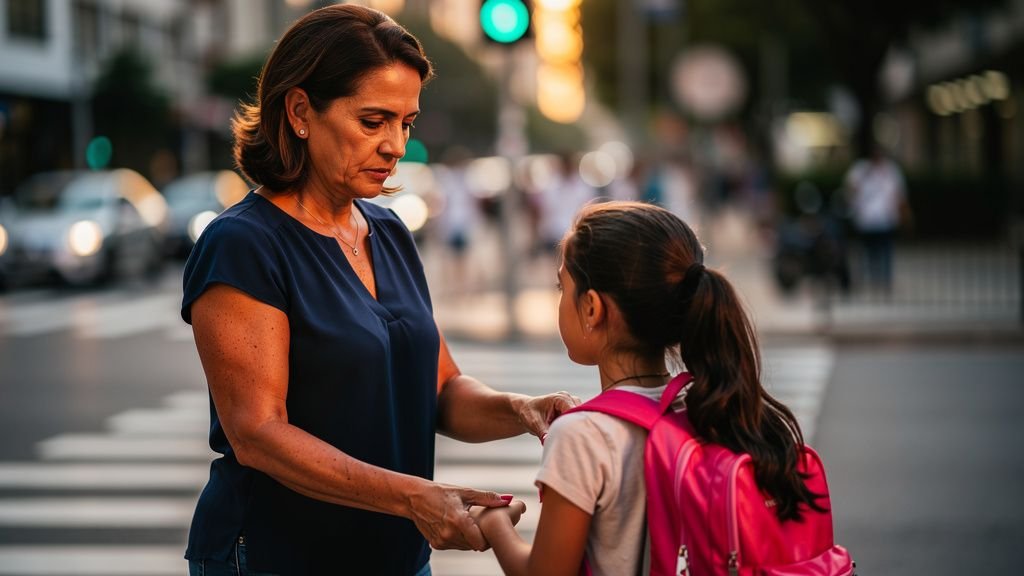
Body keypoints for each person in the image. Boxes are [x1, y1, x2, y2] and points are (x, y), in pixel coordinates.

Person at [180, 6, 577, 575]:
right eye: (373, 122)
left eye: (406, 123)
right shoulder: (243, 244)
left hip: (396, 556)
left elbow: (441, 390)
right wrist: (415, 498)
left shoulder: (389, 231)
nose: (395, 146)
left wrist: (523, 410)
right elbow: (259, 435)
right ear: (299, 112)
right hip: (277, 556)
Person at [470, 201, 821, 575]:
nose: (559, 297)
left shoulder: (583, 436)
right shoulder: (711, 406)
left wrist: (495, 525)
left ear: (592, 308)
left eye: (562, 285)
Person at [844, 146, 911, 293]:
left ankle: (884, 280)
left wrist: (902, 215)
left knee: (885, 251)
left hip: (885, 219)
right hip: (866, 220)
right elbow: (851, 190)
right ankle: (868, 280)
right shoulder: (861, 170)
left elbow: (898, 194)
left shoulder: (891, 171)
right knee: (867, 251)